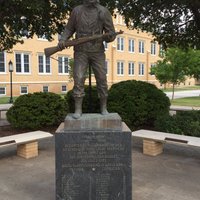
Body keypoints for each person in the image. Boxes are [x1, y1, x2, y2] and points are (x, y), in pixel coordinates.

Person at [58, 0, 116, 119]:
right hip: (80, 51)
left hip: (97, 51)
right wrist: (63, 39)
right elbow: (69, 28)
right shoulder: (77, 11)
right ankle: (78, 110)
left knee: (102, 79)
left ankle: (103, 108)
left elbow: (111, 33)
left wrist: (110, 36)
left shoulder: (103, 11)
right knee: (78, 78)